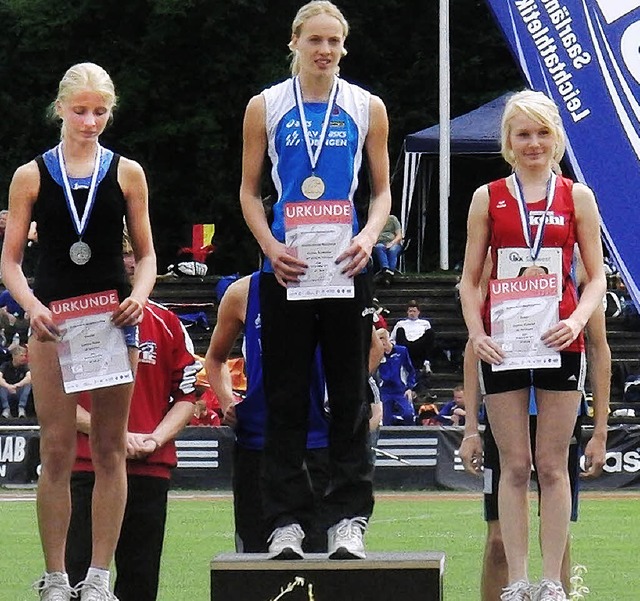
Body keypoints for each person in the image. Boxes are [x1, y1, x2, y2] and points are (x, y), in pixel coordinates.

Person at [238, 1, 391, 560]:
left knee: (350, 394)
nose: (325, 50)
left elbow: (379, 193)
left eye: (334, 41)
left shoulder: (366, 106)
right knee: (284, 394)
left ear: (344, 47)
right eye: (315, 40)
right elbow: (250, 192)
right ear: (295, 42)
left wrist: (369, 238)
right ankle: (285, 522)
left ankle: (349, 517)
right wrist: (270, 247)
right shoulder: (266, 105)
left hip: (346, 265)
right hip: (288, 267)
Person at [1, 62, 156, 601]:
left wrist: (139, 295)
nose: (90, 121)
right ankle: (56, 576)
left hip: (113, 320)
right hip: (54, 325)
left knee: (111, 449)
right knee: (58, 450)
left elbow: (149, 254)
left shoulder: (128, 172)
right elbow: (12, 262)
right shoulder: (32, 175)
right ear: (60, 109)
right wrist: (31, 306)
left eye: (100, 112)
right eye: (80, 110)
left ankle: (98, 577)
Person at [458, 90, 606, 600]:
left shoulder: (576, 197)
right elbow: (470, 279)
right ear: (508, 141)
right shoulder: (488, 198)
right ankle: (518, 582)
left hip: (558, 339)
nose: (534, 143)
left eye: (543, 132)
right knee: (514, 465)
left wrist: (579, 318)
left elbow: (595, 277)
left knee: (552, 464)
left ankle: (551, 584)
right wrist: (477, 333)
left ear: (557, 138)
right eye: (523, 133)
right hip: (505, 342)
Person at [460, 250, 611, 601]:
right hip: (504, 410)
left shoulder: (577, 260)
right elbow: (475, 344)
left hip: (560, 408)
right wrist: (470, 427)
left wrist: (600, 429)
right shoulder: (495, 259)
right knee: (498, 543)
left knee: (557, 544)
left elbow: (599, 346)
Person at [65, 300, 200, 601]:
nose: (126, 261)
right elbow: (56, 403)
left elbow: (187, 395)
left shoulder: (166, 321)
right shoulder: (73, 316)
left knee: (140, 581)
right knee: (76, 578)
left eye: (133, 253)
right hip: (88, 467)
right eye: (119, 251)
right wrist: (114, 436)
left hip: (148, 468)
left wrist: (154, 439)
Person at [375, 328, 416, 426]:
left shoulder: (401, 351)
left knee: (408, 415)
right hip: (384, 391)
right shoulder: (376, 354)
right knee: (385, 419)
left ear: (386, 339)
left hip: (400, 390)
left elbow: (411, 370)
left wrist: (410, 388)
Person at [389, 300, 435, 371]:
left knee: (430, 332)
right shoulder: (400, 323)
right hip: (406, 345)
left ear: (418, 312)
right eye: (410, 311)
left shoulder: (425, 323)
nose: (412, 313)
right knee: (400, 330)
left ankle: (426, 363)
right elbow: (392, 339)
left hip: (419, 346)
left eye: (414, 311)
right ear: (407, 312)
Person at [0, 344, 32, 418]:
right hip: (7, 392)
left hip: (18, 391)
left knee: (28, 384)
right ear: (14, 356)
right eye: (21, 356)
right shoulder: (5, 365)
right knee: (1, 385)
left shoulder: (24, 366)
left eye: (24, 355)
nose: (24, 358)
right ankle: (6, 409)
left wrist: (17, 385)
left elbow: (29, 377)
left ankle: (21, 408)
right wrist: (8, 386)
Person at [373, 213, 403, 283]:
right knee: (379, 247)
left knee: (392, 250)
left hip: (393, 242)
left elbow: (399, 235)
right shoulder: (376, 221)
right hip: (380, 242)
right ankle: (386, 269)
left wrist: (391, 243)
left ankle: (387, 273)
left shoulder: (393, 219)